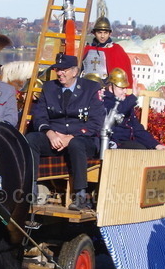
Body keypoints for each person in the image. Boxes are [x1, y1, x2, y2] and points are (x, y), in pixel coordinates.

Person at [25, 53, 105, 211]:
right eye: (57, 70)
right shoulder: (49, 88)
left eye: (64, 70)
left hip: (83, 139)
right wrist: (50, 133)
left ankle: (80, 195)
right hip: (55, 137)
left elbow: (96, 122)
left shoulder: (91, 88)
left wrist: (71, 137)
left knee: (76, 144)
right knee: (31, 139)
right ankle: (31, 189)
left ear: (75, 71)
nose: (60, 73)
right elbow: (40, 117)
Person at [101, 68, 165, 151]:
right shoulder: (105, 101)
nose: (125, 91)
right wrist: (133, 97)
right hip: (112, 143)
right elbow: (117, 110)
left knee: (144, 149)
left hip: (126, 143)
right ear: (110, 88)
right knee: (138, 149)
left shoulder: (126, 103)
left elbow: (137, 129)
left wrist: (156, 145)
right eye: (121, 88)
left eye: (126, 88)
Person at [81, 16, 133, 87]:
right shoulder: (87, 48)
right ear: (94, 33)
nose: (102, 36)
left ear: (109, 33)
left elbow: (123, 74)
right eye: (99, 32)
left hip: (107, 89)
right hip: (86, 86)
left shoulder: (116, 50)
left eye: (105, 33)